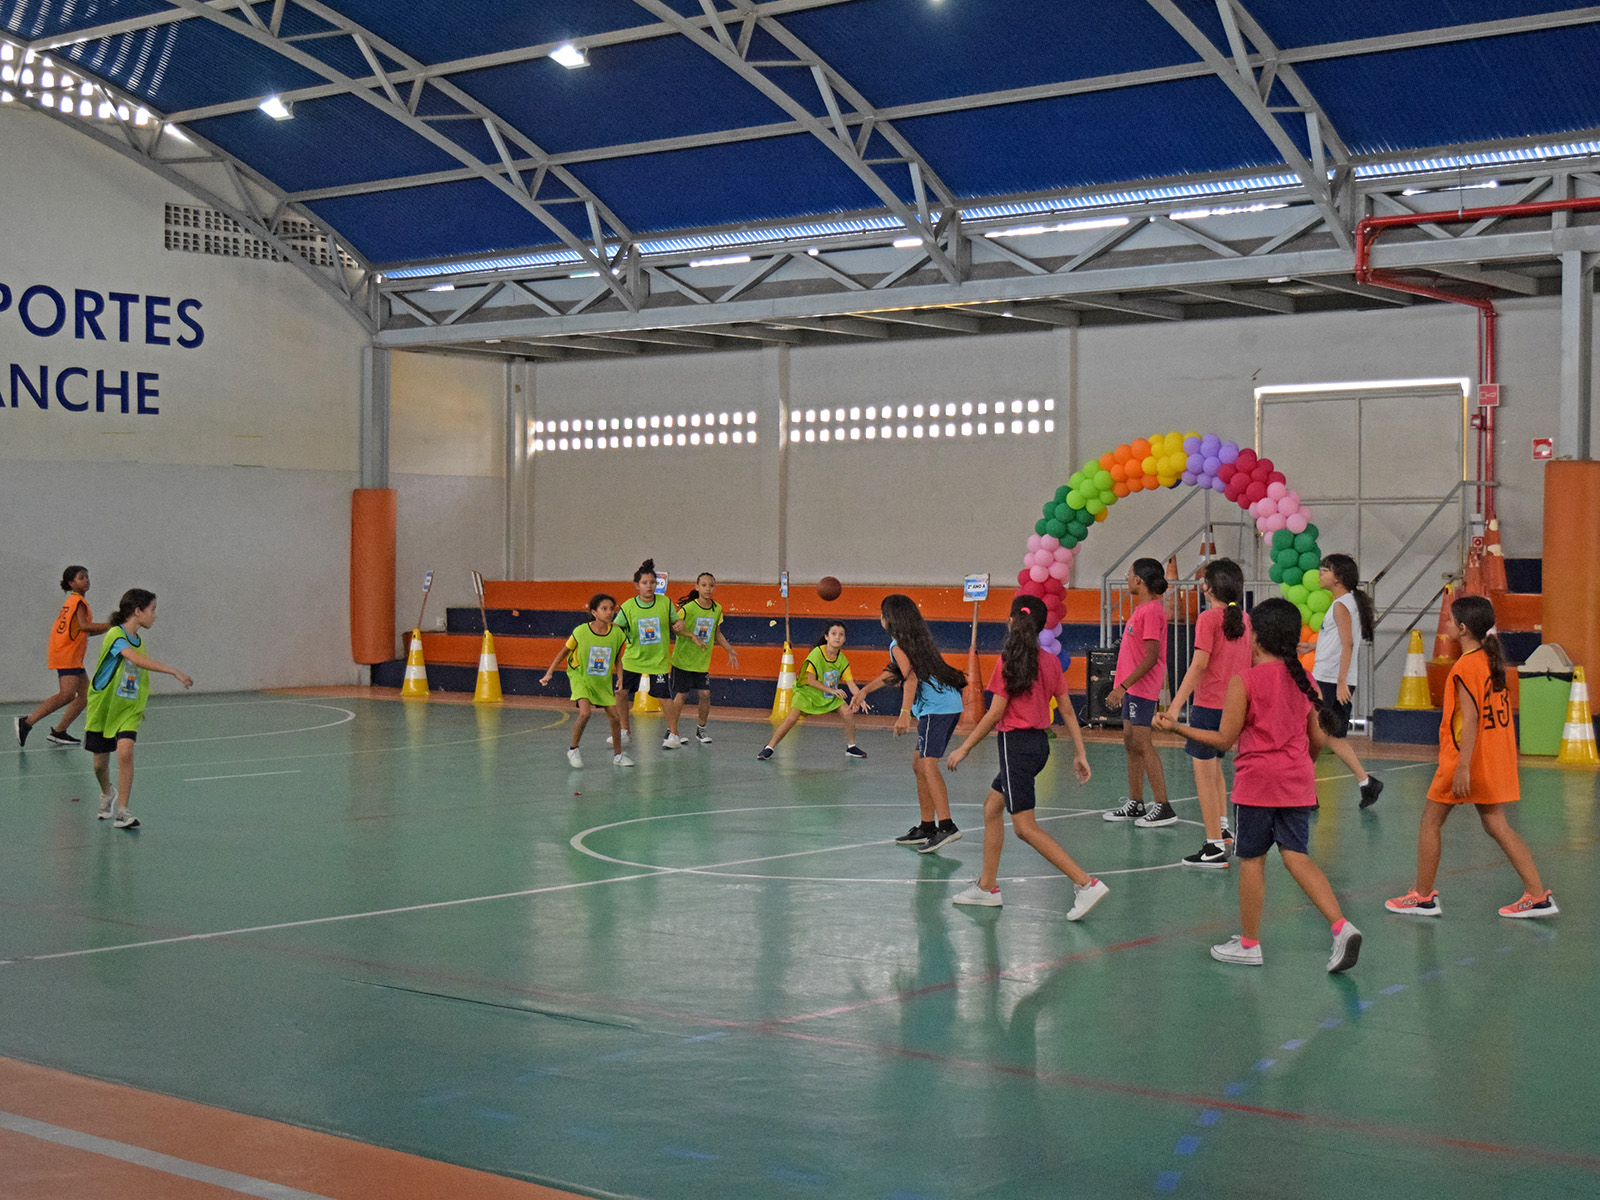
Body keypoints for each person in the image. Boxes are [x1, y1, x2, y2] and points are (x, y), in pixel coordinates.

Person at [1156, 598, 1362, 972]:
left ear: (1256, 638)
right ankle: (1341, 926)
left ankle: (1249, 944)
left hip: (1257, 785)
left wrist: (1178, 728)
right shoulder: (1306, 680)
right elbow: (1318, 737)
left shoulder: (1246, 681)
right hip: (1297, 783)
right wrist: (1302, 767)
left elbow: (1223, 738)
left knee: (1252, 860)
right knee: (1296, 856)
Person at [1386, 595, 1557, 920]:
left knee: (1431, 821)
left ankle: (1423, 897)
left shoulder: (1465, 666)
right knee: (1496, 824)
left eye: (1451, 620)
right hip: (1491, 759)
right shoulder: (1490, 661)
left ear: (1463, 628)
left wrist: (1462, 768)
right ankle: (1537, 895)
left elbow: (1471, 719)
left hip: (1463, 761)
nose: (1446, 624)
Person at [945, 595, 1108, 919]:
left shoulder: (1007, 661)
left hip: (1015, 747)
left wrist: (964, 748)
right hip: (1039, 747)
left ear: (1011, 621)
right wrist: (1080, 752)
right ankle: (987, 887)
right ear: (1041, 627)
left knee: (1024, 827)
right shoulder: (1050, 661)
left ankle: (1085, 883)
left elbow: (994, 714)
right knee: (992, 808)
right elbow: (1067, 711)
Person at [849, 594, 969, 852]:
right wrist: (864, 691)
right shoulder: (913, 641)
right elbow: (894, 673)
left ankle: (947, 826)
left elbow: (910, 678)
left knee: (927, 764)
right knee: (919, 763)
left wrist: (904, 714)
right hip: (946, 705)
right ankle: (927, 826)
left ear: (888, 618)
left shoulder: (898, 644)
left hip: (937, 709)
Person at [1164, 559, 1251, 867]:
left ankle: (1213, 846)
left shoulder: (1208, 619)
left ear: (1209, 588)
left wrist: (1174, 707)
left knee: (1203, 774)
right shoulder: (1244, 619)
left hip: (1209, 706)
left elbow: (1199, 664)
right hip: (1234, 707)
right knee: (1215, 769)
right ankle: (1223, 830)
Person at [83, 589, 193, 830]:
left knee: (125, 752)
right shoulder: (115, 634)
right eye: (152, 610)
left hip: (127, 710)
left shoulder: (140, 642)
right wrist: (173, 670)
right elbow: (134, 659)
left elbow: (135, 677)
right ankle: (107, 792)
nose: (155, 615)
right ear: (137, 611)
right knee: (99, 765)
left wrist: (137, 704)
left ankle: (123, 811)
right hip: (103, 707)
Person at [1103, 558, 1174, 827]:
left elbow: (1151, 656)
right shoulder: (1142, 609)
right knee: (1130, 741)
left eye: (1129, 574)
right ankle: (1136, 802)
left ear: (1139, 581)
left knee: (1143, 743)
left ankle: (1163, 806)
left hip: (1141, 687)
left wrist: (1122, 687)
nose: (1127, 579)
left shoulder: (1152, 611)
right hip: (1131, 687)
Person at [1308, 553, 1383, 807]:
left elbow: (1347, 644)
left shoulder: (1341, 605)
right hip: (1331, 678)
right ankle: (1366, 783)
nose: (1320, 574)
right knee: (1330, 735)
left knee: (1319, 734)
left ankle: (1308, 793)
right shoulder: (1346, 602)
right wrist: (1310, 647)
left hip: (1330, 680)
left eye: (1325, 570)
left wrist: (1341, 681)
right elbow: (1337, 641)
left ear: (1338, 577)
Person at [17, 565, 113, 749]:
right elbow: (85, 626)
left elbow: (83, 631)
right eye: (81, 578)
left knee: (85, 695)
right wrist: (112, 625)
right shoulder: (78, 602)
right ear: (71, 583)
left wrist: (108, 629)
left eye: (87, 577)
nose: (86, 580)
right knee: (67, 694)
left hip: (69, 653)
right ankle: (27, 722)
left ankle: (59, 731)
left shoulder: (73, 601)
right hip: (67, 652)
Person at [540, 593, 632, 769]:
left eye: (611, 609)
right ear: (594, 612)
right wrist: (549, 673)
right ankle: (573, 749)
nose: (609, 612)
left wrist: (620, 677)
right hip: (580, 676)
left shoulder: (617, 634)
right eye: (604, 609)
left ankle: (618, 755)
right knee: (585, 713)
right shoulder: (581, 631)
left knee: (615, 717)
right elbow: (564, 651)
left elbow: (617, 658)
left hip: (602, 680)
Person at [758, 621, 866, 760]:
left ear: (844, 639)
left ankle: (851, 747)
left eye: (841, 635)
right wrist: (832, 691)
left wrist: (859, 697)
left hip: (828, 693)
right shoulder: (817, 653)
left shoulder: (842, 660)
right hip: (807, 691)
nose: (837, 637)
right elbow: (811, 681)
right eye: (833, 634)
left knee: (848, 713)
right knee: (791, 719)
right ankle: (769, 747)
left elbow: (851, 683)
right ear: (826, 637)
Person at [613, 559, 689, 749]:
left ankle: (674, 734)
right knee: (621, 692)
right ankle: (624, 731)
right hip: (633, 659)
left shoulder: (665, 603)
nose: (649, 586)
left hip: (658, 660)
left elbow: (676, 623)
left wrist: (679, 625)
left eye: (652, 582)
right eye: (645, 583)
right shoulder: (628, 607)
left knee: (664, 697)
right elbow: (616, 628)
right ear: (637, 585)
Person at [663, 572, 739, 746]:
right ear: (697, 587)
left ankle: (701, 729)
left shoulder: (717, 609)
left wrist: (729, 649)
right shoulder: (688, 609)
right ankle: (671, 731)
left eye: (711, 585)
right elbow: (674, 628)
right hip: (683, 660)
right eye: (704, 585)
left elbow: (716, 633)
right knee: (681, 696)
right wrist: (690, 635)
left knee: (705, 694)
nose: (708, 589)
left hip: (701, 662)